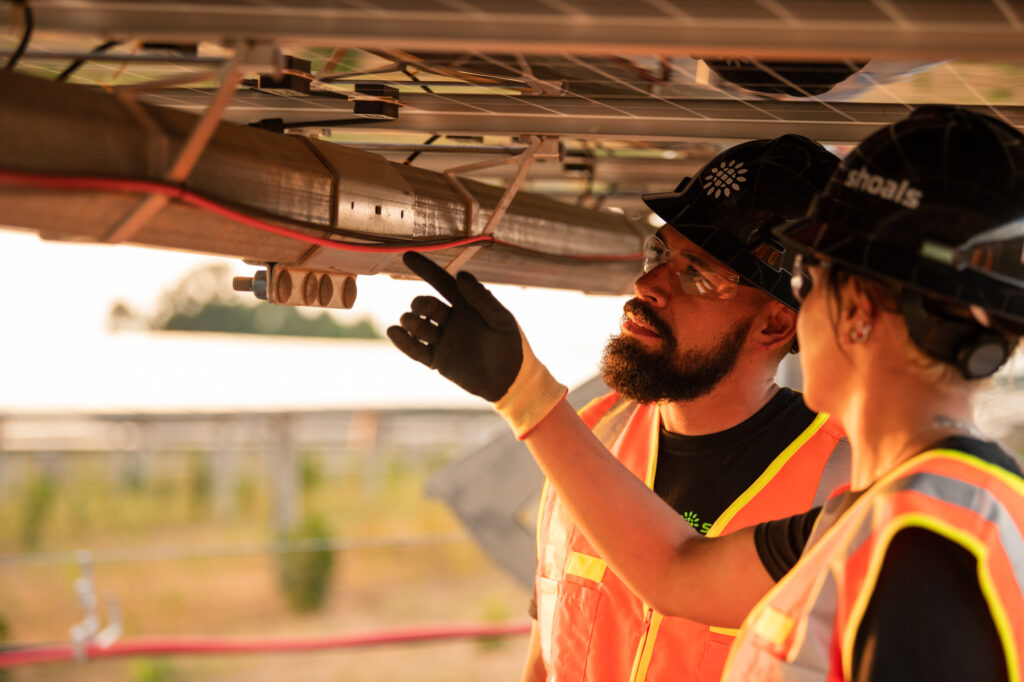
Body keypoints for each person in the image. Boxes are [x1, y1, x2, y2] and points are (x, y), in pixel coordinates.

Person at [389, 105, 1024, 680]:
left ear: (854, 311)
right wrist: (522, 390)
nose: (802, 309)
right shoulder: (891, 514)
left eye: (812, 281)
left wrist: (527, 396)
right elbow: (676, 572)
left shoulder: (928, 548)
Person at [389, 135, 851, 682]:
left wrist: (525, 394)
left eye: (697, 273)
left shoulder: (838, 487)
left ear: (774, 325)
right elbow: (546, 657)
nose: (647, 284)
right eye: (660, 254)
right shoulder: (589, 437)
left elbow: (675, 573)